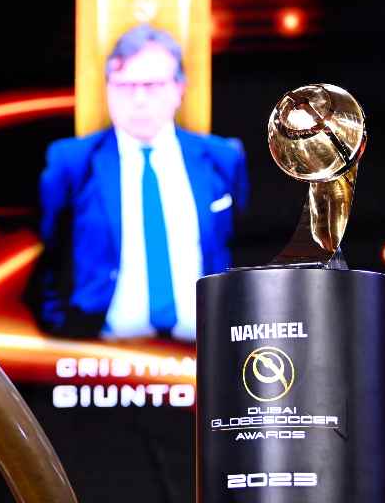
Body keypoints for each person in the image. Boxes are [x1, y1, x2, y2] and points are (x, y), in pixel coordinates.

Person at [32, 24, 247, 341]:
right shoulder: (72, 162)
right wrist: (63, 333)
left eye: (153, 85)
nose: (139, 99)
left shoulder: (222, 157)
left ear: (179, 88)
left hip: (202, 348)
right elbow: (46, 259)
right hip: (103, 352)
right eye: (124, 85)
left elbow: (241, 247)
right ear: (107, 89)